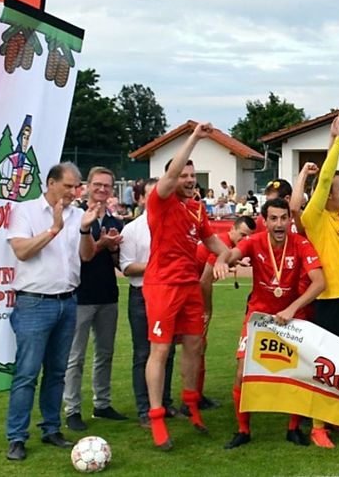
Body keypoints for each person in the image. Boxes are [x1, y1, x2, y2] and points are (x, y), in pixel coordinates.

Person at [143, 123, 232, 450]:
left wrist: (227, 257)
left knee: (195, 345)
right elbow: (170, 176)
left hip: (189, 286)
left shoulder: (197, 208)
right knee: (161, 350)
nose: (189, 179)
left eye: (193, 176)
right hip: (162, 284)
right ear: (172, 177)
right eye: (184, 175)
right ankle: (156, 417)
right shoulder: (160, 200)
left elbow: (212, 240)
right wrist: (195, 137)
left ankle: (191, 405)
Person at [213, 198, 326, 449]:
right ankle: (243, 430)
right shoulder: (255, 241)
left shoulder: (300, 243)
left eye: (283, 218)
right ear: (265, 221)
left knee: (296, 374)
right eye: (273, 218)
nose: (279, 223)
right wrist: (222, 260)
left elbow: (319, 282)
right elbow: (232, 252)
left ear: (288, 220)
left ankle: (293, 428)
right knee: (242, 374)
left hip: (291, 319)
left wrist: (293, 307)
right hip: (258, 318)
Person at [5, 163, 98, 461]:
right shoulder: (26, 211)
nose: (74, 192)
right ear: (51, 183)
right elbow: (22, 251)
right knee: (27, 374)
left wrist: (84, 229)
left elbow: (86, 256)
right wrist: (54, 229)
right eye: (68, 186)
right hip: (33, 302)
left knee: (57, 372)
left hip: (68, 301)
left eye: (77, 186)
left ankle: (51, 428)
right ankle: (17, 437)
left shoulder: (78, 214)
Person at [291, 99, 339, 448]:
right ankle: (318, 423)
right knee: (325, 364)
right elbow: (326, 179)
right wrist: (336, 141)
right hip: (330, 300)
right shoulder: (315, 218)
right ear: (326, 196)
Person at [63, 167, 127, 432]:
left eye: (107, 186)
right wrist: (101, 244)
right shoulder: (76, 218)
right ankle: (72, 410)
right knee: (75, 357)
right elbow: (81, 256)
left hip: (107, 294)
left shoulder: (115, 221)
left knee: (105, 353)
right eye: (98, 185)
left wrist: (113, 249)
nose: (102, 190)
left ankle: (102, 403)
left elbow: (119, 263)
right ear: (87, 186)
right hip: (80, 295)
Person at [119, 178, 179, 429]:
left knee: (169, 351)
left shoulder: (173, 224)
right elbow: (127, 268)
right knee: (144, 353)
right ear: (142, 199)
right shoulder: (132, 229)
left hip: (169, 294)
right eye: (152, 195)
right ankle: (145, 408)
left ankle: (164, 402)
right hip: (142, 295)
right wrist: (157, 265)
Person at [193, 216, 256, 411]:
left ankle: (196, 396)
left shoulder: (226, 244)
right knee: (196, 345)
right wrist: (207, 311)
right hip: (190, 295)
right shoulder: (222, 245)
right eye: (242, 235)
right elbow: (204, 280)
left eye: (248, 237)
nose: (244, 240)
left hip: (190, 292)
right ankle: (193, 398)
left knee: (198, 346)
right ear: (233, 229)